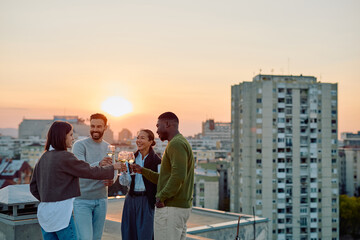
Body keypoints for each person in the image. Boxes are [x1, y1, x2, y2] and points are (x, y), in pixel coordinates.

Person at [30, 121, 123, 240]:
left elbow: (33, 187)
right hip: (62, 215)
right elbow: (88, 171)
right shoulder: (65, 157)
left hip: (45, 214)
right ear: (62, 136)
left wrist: (49, 199)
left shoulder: (44, 157)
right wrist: (112, 168)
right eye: (70, 135)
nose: (73, 138)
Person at [132, 112, 195, 240]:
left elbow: (178, 176)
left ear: (167, 124)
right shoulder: (179, 142)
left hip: (171, 208)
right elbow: (165, 178)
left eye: (158, 126)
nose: (156, 131)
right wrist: (142, 171)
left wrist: (161, 197)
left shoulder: (176, 144)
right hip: (179, 208)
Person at [72, 113, 114, 240]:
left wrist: (112, 179)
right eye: (92, 126)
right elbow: (80, 170)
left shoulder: (108, 147)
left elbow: (113, 169)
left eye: (99, 126)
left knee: (97, 238)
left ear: (105, 128)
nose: (95, 129)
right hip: (82, 200)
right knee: (85, 238)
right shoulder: (79, 145)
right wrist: (100, 164)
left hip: (101, 199)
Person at [119, 129, 161, 240]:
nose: (138, 140)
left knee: (145, 235)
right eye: (138, 138)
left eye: (142, 138)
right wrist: (124, 171)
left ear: (151, 141)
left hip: (147, 200)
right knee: (129, 233)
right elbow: (125, 183)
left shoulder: (157, 161)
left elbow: (160, 181)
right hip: (131, 199)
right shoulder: (130, 158)